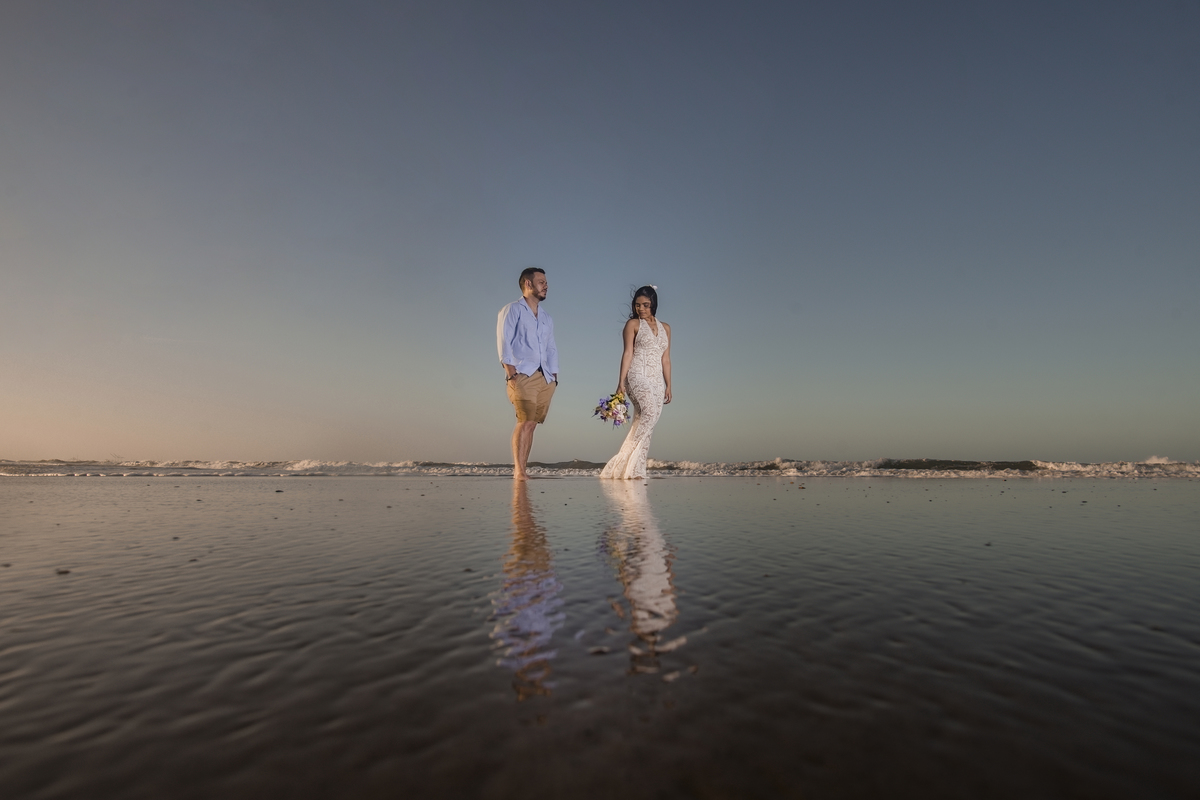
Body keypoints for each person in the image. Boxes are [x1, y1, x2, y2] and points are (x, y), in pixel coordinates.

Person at [600, 286, 671, 480]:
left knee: (647, 422)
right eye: (638, 305)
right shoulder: (632, 324)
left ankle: (635, 471)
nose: (641, 309)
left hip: (657, 381)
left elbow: (666, 359)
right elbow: (627, 353)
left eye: (646, 305)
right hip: (637, 375)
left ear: (653, 304)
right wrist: (621, 382)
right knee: (648, 414)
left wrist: (669, 385)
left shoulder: (666, 328)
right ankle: (620, 462)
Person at [497, 267, 558, 480]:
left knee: (532, 424)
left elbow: (551, 347)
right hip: (522, 373)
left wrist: (555, 376)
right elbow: (504, 341)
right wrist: (511, 373)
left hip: (546, 377)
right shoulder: (512, 310)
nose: (546, 286)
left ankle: (523, 470)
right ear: (528, 284)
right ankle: (518, 471)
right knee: (523, 421)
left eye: (546, 282)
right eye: (541, 282)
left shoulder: (546, 318)